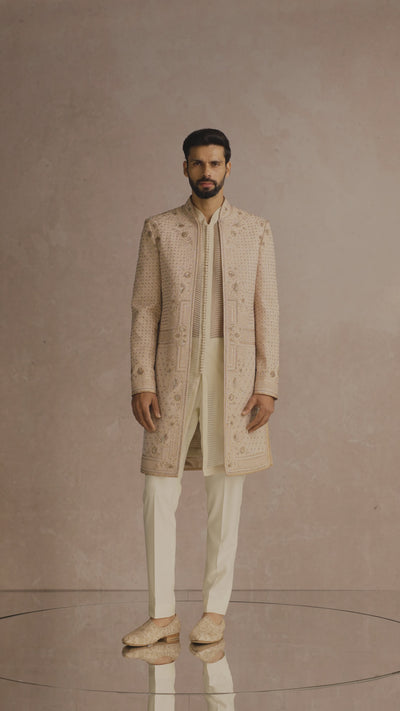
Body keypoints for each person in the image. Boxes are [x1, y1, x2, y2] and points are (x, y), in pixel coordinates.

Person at [122, 128, 279, 647]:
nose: (206, 172)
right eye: (197, 163)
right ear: (185, 168)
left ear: (228, 167)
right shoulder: (159, 230)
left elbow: (267, 311)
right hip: (172, 370)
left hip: (234, 374)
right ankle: (161, 614)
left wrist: (267, 382)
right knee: (157, 491)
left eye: (214, 163)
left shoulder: (255, 230)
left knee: (225, 496)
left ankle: (215, 611)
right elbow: (145, 310)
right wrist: (142, 379)